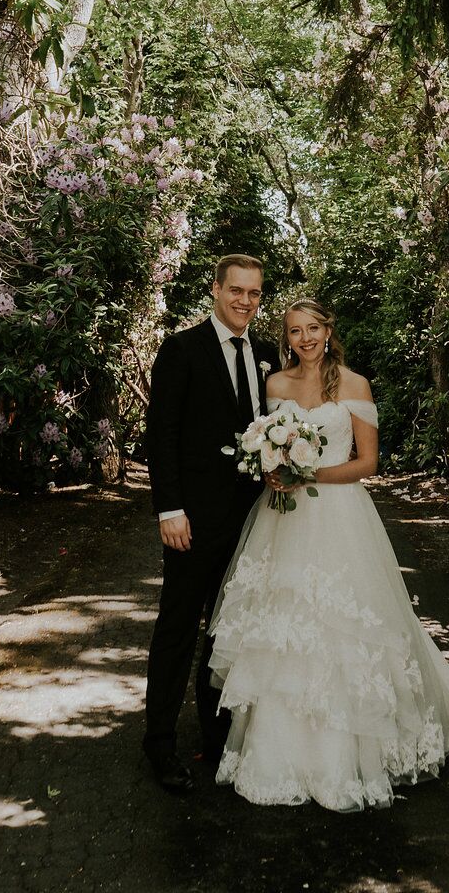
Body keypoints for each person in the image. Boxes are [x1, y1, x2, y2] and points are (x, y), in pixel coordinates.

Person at [207, 296, 449, 811]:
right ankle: (279, 753)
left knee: (345, 624)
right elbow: (268, 445)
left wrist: (308, 473)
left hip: (340, 516)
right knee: (284, 627)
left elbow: (368, 463)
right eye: (293, 331)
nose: (304, 338)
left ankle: (353, 750)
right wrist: (273, 468)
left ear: (328, 331)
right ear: (284, 338)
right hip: (282, 518)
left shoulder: (354, 385)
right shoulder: (276, 386)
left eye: (312, 328)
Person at [143, 254, 281, 792]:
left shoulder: (268, 354)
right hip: (192, 522)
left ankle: (216, 734)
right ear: (216, 290)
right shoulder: (181, 349)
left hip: (251, 522)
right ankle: (158, 745)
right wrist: (169, 509)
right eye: (236, 291)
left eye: (254, 293)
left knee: (229, 630)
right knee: (178, 630)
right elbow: (162, 436)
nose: (245, 301)